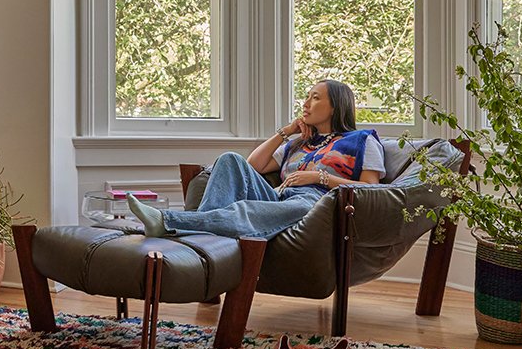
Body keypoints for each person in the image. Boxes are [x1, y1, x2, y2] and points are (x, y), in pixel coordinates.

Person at [128, 79, 385, 239]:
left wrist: (320, 177)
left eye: (315, 98)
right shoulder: (299, 142)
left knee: (247, 209)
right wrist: (286, 132)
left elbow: (372, 189)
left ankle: (168, 222)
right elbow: (252, 167)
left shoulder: (361, 140)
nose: (306, 103)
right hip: (277, 195)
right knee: (229, 159)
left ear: (336, 106)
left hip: (315, 204)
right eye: (306, 96)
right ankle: (200, 232)